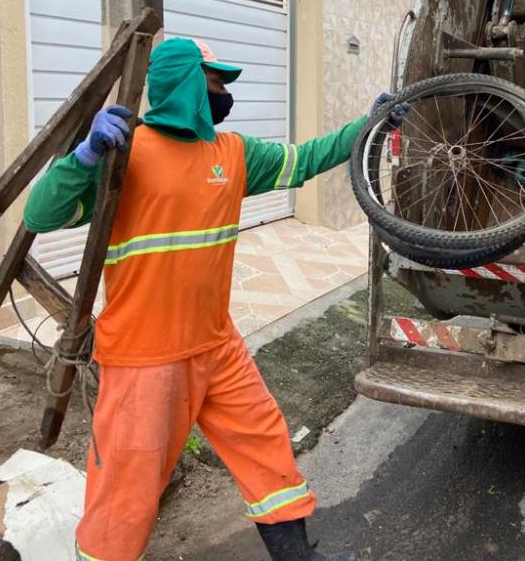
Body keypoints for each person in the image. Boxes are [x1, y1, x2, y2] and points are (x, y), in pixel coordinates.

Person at [23, 36, 407, 561]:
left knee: (266, 448)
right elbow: (40, 217)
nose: (225, 93)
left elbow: (309, 157)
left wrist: (369, 125)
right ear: (183, 82)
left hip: (215, 344)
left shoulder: (232, 153)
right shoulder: (123, 156)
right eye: (216, 81)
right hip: (143, 359)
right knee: (126, 492)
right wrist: (83, 157)